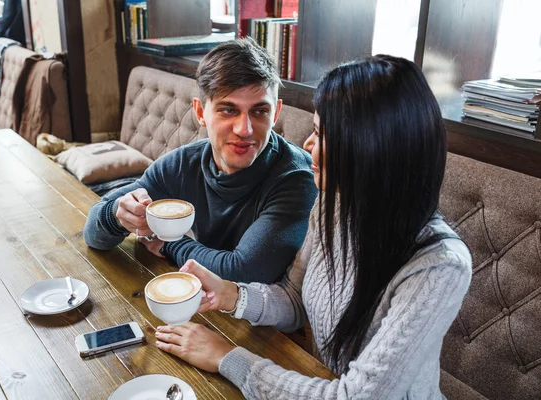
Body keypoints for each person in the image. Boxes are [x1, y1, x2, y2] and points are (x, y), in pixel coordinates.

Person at [153, 55, 473, 399]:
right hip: (314, 378)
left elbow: (355, 396)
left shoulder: (439, 265)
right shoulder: (334, 208)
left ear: (368, 147)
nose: (307, 143)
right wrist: (230, 294)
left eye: (320, 132)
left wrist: (227, 357)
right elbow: (294, 301)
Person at [84, 37, 318, 284]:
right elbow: (93, 233)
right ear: (199, 112)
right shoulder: (184, 163)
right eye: (228, 110)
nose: (245, 129)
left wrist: (170, 245)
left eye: (260, 111)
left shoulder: (297, 177)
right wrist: (117, 215)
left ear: (276, 113)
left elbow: (245, 272)